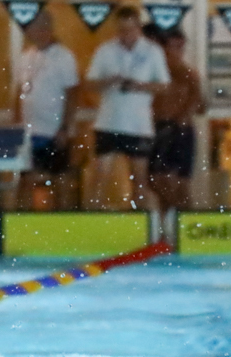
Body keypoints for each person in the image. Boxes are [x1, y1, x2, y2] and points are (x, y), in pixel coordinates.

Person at [86, 6, 169, 236]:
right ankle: (91, 228)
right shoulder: (105, 50)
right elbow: (90, 83)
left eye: (130, 30)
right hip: (108, 123)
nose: (126, 35)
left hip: (138, 125)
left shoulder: (152, 51)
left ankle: (147, 230)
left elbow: (164, 86)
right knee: (99, 178)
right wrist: (109, 81)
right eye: (121, 30)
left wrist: (139, 86)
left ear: (138, 28)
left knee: (139, 181)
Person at [15, 10, 79, 211]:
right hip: (29, 131)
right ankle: (24, 221)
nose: (36, 33)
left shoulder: (64, 57)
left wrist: (65, 128)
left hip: (53, 130)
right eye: (32, 28)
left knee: (58, 180)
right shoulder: (26, 57)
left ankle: (61, 221)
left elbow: (72, 94)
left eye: (40, 28)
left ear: (48, 29)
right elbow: (19, 92)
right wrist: (16, 127)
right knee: (26, 179)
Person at [149, 28, 203, 216]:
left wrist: (183, 115)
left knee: (179, 183)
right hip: (159, 127)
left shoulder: (187, 73)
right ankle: (172, 218)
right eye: (175, 47)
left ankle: (183, 220)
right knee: (155, 180)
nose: (179, 52)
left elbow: (200, 103)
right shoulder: (155, 71)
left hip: (179, 130)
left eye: (182, 47)